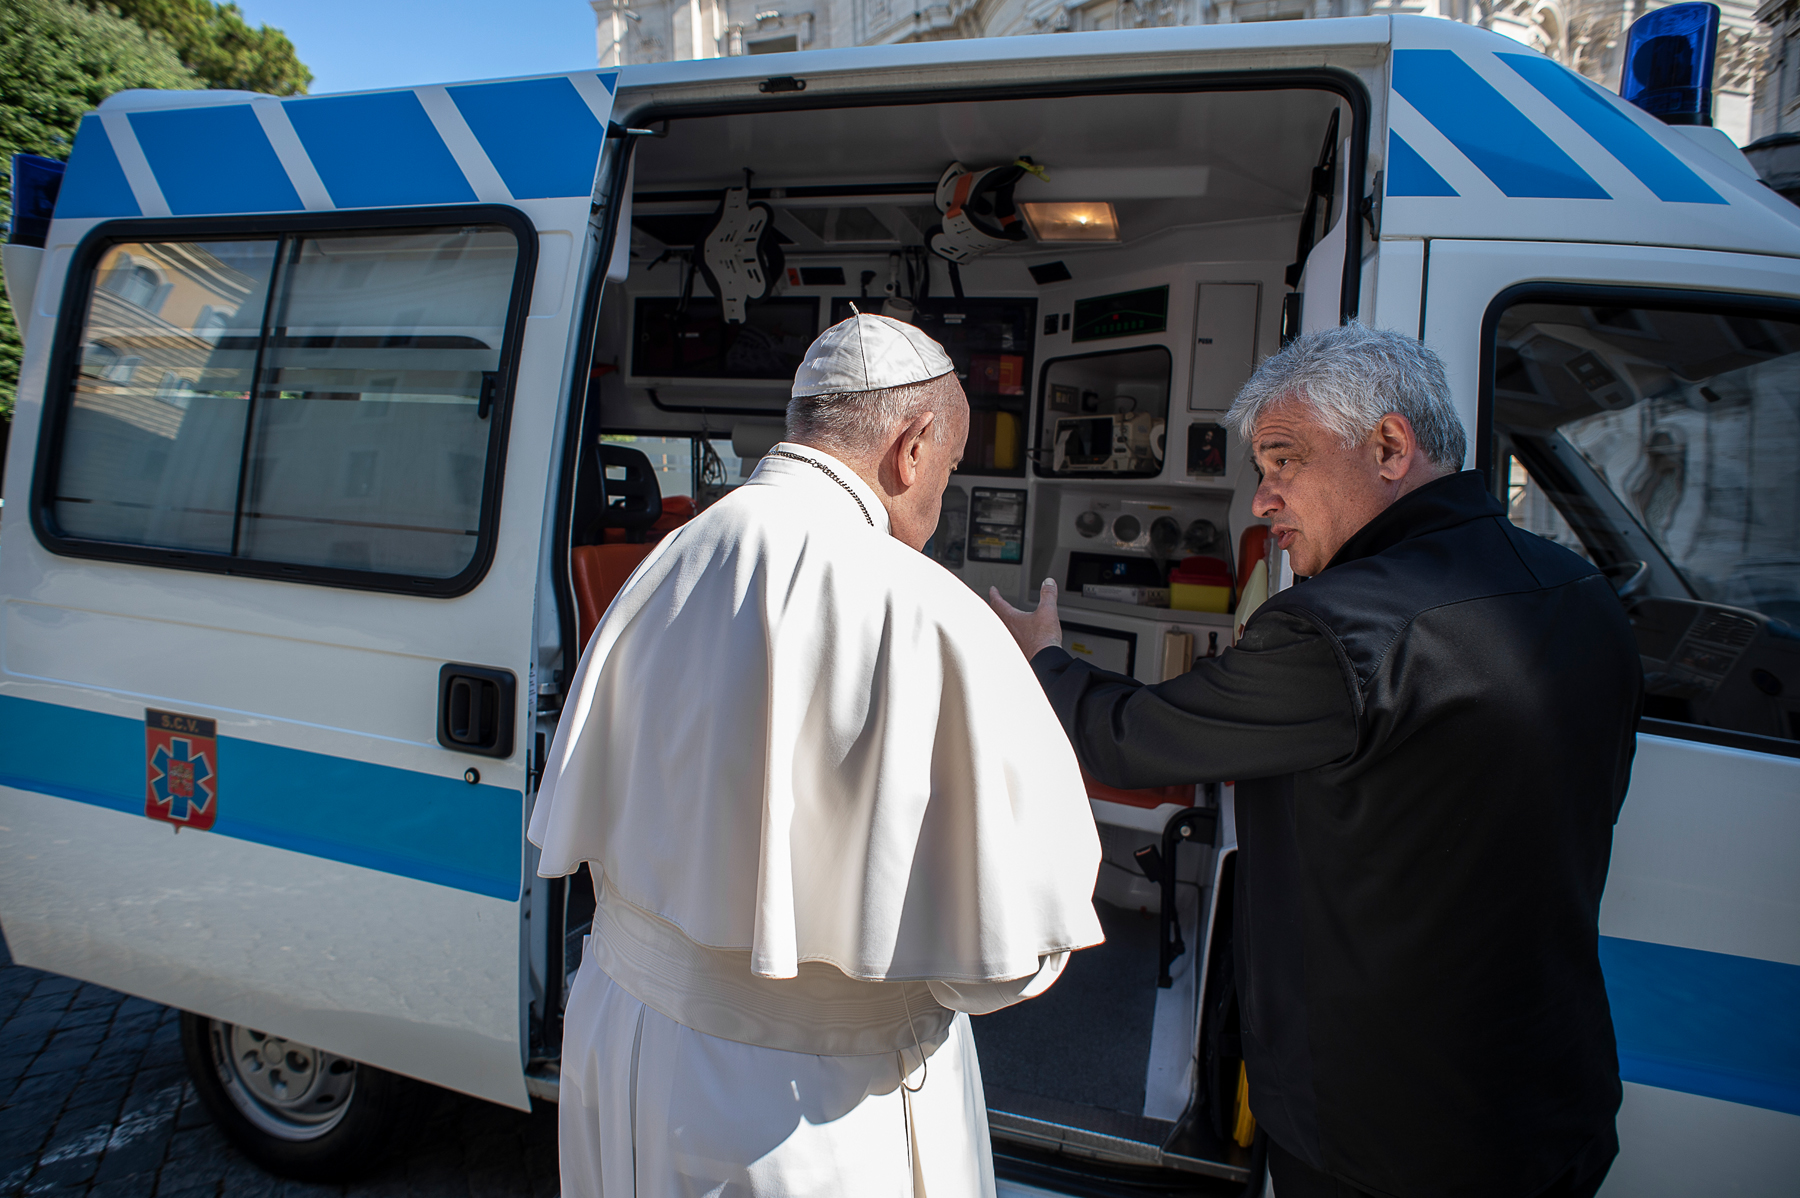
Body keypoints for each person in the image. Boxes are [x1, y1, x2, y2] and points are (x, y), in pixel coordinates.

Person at [990, 323, 1642, 1198]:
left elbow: (1130, 739)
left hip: (1388, 1140)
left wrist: (1041, 658)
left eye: (1283, 461)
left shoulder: (1340, 626)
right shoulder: (1580, 590)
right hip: (1555, 1105)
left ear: (1389, 446)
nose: (1263, 500)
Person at [530, 311, 1104, 1197]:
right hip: (807, 1111)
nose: (937, 505)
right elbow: (1011, 956)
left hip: (624, 1043)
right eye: (946, 476)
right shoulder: (930, 610)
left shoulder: (667, 559)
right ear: (911, 448)